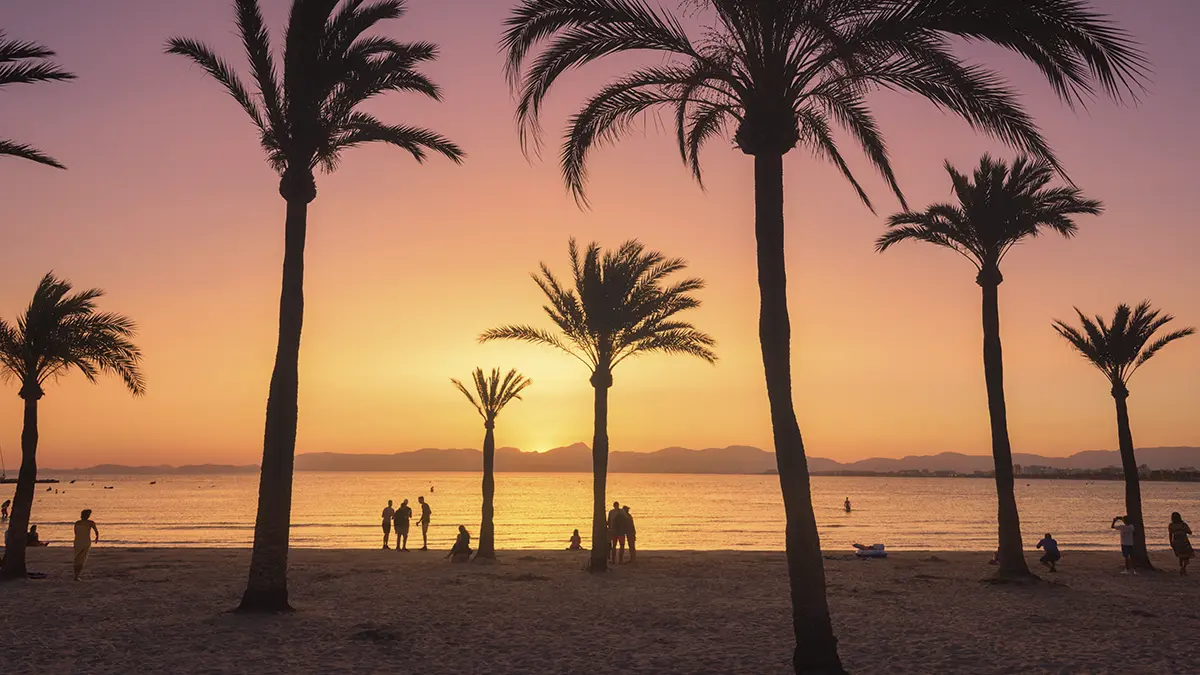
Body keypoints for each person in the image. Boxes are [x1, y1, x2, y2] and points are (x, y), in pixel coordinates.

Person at [73, 509, 99, 581]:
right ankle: (76, 576)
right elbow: (96, 532)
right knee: (82, 559)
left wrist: (96, 537)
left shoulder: (77, 522)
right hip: (85, 542)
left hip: (77, 541)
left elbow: (75, 532)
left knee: (77, 558)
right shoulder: (90, 522)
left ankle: (76, 575)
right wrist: (96, 538)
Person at [1169, 512, 1193, 576]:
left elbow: (1170, 534)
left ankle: (1182, 569)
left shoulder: (1171, 525)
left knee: (1181, 556)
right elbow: (1190, 532)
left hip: (1176, 542)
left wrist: (1171, 542)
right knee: (1186, 557)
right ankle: (1183, 568)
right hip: (1184, 542)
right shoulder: (1183, 524)